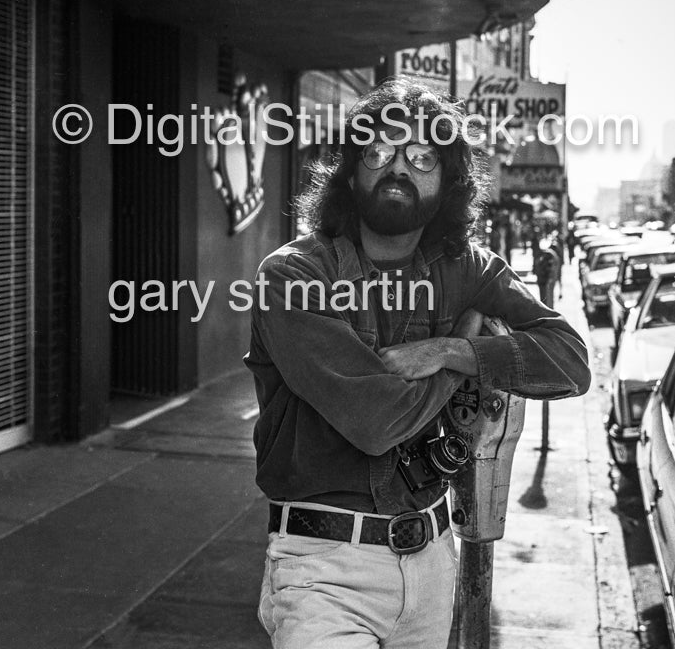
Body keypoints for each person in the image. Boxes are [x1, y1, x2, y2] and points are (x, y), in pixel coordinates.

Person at [245, 79, 590, 649]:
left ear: (447, 179)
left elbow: (571, 360)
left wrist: (450, 350)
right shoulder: (295, 276)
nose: (398, 168)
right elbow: (377, 422)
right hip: (325, 571)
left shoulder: (469, 268)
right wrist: (468, 347)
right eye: (378, 152)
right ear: (351, 172)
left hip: (432, 560)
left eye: (422, 157)